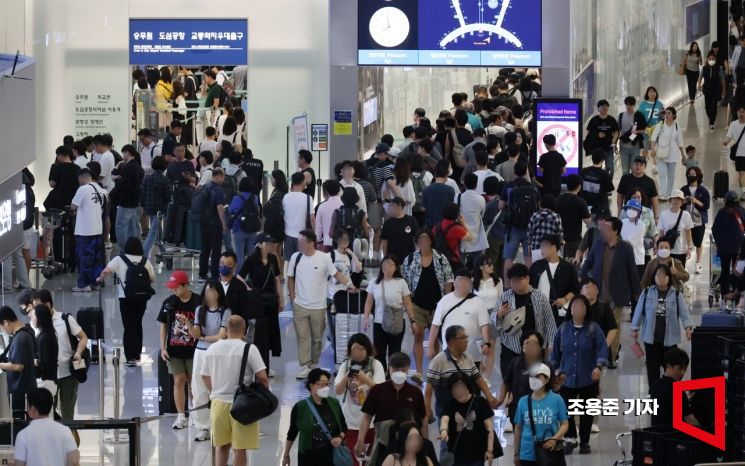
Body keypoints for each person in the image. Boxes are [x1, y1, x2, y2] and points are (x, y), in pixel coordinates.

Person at [201, 316, 267, 466]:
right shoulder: (250, 349)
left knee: (221, 446)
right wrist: (263, 398)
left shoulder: (213, 348)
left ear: (226, 329)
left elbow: (204, 376)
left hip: (218, 403)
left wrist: (214, 391)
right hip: (243, 405)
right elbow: (262, 377)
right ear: (244, 331)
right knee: (240, 448)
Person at [288, 229, 353, 379]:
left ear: (311, 243)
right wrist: (292, 298)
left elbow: (336, 274)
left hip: (318, 305)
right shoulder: (295, 257)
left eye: (302, 242)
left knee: (317, 338)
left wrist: (349, 284)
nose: (299, 245)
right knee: (302, 337)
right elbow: (290, 277)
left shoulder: (324, 258)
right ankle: (305, 365)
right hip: (300, 305)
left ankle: (314, 363)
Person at [550, 296, 608, 455]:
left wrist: (599, 367)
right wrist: (553, 372)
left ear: (586, 310)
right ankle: (570, 438)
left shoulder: (593, 328)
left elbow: (602, 349)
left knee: (588, 411)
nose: (578, 310)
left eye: (581, 307)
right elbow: (555, 354)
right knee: (565, 410)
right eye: (575, 307)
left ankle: (585, 442)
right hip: (566, 378)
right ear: (571, 309)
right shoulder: (562, 329)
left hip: (589, 377)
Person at [580, 217, 640, 368]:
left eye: (606, 228)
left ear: (615, 231)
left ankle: (611, 357)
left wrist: (637, 294)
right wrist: (582, 274)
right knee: (598, 326)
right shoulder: (598, 243)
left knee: (614, 327)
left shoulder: (625, 248)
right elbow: (589, 261)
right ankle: (598, 354)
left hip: (617, 295)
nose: (602, 230)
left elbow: (632, 271)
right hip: (598, 293)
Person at [425, 325, 497, 448]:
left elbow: (478, 378)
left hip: (468, 410)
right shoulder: (439, 361)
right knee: (448, 447)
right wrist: (427, 408)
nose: (467, 340)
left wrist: (489, 396)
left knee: (469, 444)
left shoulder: (467, 357)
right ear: (452, 341)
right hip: (447, 410)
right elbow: (429, 388)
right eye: (463, 337)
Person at [30, 290, 87, 429]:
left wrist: (78, 352)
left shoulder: (65, 319)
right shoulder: (35, 323)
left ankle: (70, 441)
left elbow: (83, 337)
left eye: (37, 305)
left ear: (48, 304)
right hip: (49, 376)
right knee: (49, 412)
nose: (34, 309)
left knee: (68, 410)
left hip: (68, 373)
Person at [402, 230, 454, 380]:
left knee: (435, 338)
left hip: (437, 306)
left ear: (431, 241)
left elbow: (449, 279)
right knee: (418, 336)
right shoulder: (410, 259)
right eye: (421, 240)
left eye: (426, 239)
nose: (424, 243)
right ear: (417, 242)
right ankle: (419, 370)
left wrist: (445, 300)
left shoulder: (440, 258)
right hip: (417, 305)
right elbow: (404, 279)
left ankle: (434, 369)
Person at [355, 352, 428, 458]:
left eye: (403, 370)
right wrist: (360, 440)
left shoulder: (415, 392)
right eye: (395, 370)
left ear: (408, 370)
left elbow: (423, 419)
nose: (399, 373)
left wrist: (424, 442)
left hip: (409, 442)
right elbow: (367, 417)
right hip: (383, 442)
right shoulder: (377, 390)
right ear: (389, 369)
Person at [184, 280, 232, 442]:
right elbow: (196, 334)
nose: (208, 295)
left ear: (218, 293)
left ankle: (218, 425)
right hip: (200, 352)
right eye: (206, 292)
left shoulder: (225, 311)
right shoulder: (200, 310)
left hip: (218, 353)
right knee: (198, 389)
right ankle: (202, 427)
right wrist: (189, 326)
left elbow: (222, 335)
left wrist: (203, 337)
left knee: (217, 389)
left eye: (211, 291)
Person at [631, 264, 693, 386]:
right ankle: (653, 393)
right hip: (651, 339)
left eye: (664, 275)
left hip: (670, 339)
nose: (661, 277)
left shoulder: (676, 295)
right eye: (658, 274)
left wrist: (688, 327)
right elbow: (638, 311)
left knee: (670, 369)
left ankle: (669, 392)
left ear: (669, 277)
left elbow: (684, 313)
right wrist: (635, 329)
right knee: (652, 370)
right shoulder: (647, 292)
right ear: (654, 277)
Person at [97, 237, 155, 366]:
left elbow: (106, 271)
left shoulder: (119, 259)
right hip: (142, 298)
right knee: (138, 324)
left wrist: (99, 279)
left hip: (126, 298)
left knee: (129, 327)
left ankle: (130, 358)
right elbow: (152, 278)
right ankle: (137, 354)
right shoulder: (145, 261)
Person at [157, 270, 200, 429]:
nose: (173, 290)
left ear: (186, 285)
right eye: (172, 287)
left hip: (194, 350)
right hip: (174, 351)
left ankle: (195, 414)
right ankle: (181, 415)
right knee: (179, 381)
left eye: (176, 287)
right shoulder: (169, 302)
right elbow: (164, 326)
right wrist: (162, 347)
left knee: (193, 383)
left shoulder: (197, 302)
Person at [496, 263, 557, 376]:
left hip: (536, 349)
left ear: (527, 279)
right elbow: (496, 325)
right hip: (511, 348)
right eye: (512, 281)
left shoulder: (540, 297)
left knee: (536, 381)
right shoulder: (504, 297)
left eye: (518, 280)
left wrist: (551, 345)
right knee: (510, 382)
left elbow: (550, 322)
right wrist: (499, 314)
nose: (515, 284)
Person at [334, 333, 386, 466]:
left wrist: (365, 379)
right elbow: (337, 390)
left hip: (371, 422)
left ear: (367, 349)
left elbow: (380, 391)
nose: (358, 353)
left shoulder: (376, 365)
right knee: (352, 460)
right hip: (350, 422)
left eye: (361, 349)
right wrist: (347, 377)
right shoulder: (345, 365)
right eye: (354, 350)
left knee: (370, 460)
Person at [283, 368, 347, 466]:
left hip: (331, 455)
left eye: (327, 384)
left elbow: (344, 427)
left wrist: (339, 438)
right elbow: (292, 432)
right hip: (308, 457)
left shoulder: (334, 403)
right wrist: (286, 455)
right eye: (321, 384)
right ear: (311, 385)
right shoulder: (300, 407)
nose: (325, 387)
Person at [238, 233, 283, 370]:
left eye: (271, 243)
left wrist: (281, 297)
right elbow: (240, 276)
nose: (270, 245)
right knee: (258, 333)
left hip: (271, 300)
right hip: (257, 302)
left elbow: (277, 279)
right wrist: (249, 290)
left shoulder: (273, 259)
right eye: (267, 243)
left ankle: (267, 364)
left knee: (271, 331)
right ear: (259, 244)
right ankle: (258, 364)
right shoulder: (251, 259)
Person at [363, 254, 416, 370]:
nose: (387, 267)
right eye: (385, 264)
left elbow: (407, 303)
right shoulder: (374, 283)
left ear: (396, 267)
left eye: (390, 265)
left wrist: (413, 321)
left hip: (396, 323)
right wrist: (366, 318)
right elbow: (369, 301)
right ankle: (381, 375)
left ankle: (392, 375)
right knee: (379, 352)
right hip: (379, 323)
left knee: (395, 351)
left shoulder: (401, 282)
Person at [513, 362, 569, 465]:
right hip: (527, 454)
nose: (533, 379)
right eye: (531, 376)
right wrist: (516, 453)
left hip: (550, 452)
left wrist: (554, 439)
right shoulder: (523, 402)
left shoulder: (557, 400)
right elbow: (518, 428)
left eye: (538, 376)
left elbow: (565, 424)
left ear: (547, 379)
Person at [497, 332, 552, 433]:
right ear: (522, 346)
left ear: (540, 348)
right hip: (517, 407)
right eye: (527, 343)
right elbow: (506, 382)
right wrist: (500, 400)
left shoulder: (546, 366)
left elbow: (552, 388)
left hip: (540, 410)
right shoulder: (515, 363)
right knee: (519, 436)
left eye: (534, 344)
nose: (530, 346)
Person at [438, 372, 496, 466]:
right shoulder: (450, 404)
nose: (458, 391)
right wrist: (443, 431)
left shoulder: (480, 402)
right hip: (457, 455)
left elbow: (489, 428)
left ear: (467, 386)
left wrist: (489, 451)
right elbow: (445, 419)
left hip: (477, 454)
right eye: (454, 389)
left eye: (461, 387)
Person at [14, 387, 80, 466]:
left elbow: (19, 464)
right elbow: (73, 462)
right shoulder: (65, 431)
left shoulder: (23, 435)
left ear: (32, 409)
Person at [500, 161, 540, 278]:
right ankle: (530, 283)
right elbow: (538, 206)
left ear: (514, 172)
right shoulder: (533, 187)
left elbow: (501, 206)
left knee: (509, 259)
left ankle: (507, 286)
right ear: (526, 171)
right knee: (529, 258)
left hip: (513, 226)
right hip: (530, 228)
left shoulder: (508, 186)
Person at [70, 168, 107, 292]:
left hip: (84, 230)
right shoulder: (101, 190)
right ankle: (95, 283)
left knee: (84, 258)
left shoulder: (83, 189)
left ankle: (83, 285)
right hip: (97, 228)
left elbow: (73, 206)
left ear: (81, 178)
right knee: (97, 259)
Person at [530, 235, 579, 326]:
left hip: (558, 312)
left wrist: (564, 299)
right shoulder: (536, 266)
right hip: (537, 311)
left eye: (544, 246)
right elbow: (529, 287)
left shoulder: (568, 268)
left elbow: (575, 289)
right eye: (541, 246)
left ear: (553, 247)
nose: (541, 249)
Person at [44, 146, 81, 264]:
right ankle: (71, 256)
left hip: (57, 203)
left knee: (57, 230)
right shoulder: (77, 168)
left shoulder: (56, 167)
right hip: (72, 202)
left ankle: (58, 257)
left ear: (60, 155)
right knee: (72, 229)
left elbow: (52, 184)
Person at [648, 348, 700, 427]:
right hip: (673, 435)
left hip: (658, 433)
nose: (682, 373)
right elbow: (689, 418)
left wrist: (685, 400)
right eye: (679, 368)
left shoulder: (655, 385)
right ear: (668, 366)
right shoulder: (676, 389)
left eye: (684, 369)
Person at [0, 306, 36, 416]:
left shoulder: (19, 339)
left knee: (20, 424)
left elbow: (18, 366)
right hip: (26, 388)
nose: (3, 331)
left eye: (1, 327)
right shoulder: (26, 332)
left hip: (21, 391)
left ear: (6, 322)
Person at [472, 256, 502, 380]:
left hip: (494, 315)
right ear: (480, 267)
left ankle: (486, 378)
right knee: (478, 347)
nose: (491, 266)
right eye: (488, 264)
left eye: (491, 264)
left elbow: (501, 298)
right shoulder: (473, 281)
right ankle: (480, 371)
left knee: (490, 348)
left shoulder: (498, 281)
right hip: (478, 315)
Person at [712, 191, 745, 296]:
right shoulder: (742, 211)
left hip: (724, 249)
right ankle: (736, 296)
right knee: (737, 272)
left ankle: (725, 295)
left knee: (725, 271)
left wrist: (719, 243)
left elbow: (714, 229)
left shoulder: (722, 212)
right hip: (739, 249)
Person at [113, 144, 145, 247]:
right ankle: (135, 249)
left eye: (123, 153)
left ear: (127, 153)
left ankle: (123, 249)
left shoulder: (129, 167)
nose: (123, 156)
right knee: (133, 227)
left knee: (121, 226)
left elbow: (125, 185)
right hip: (135, 201)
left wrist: (117, 180)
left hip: (126, 202)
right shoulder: (138, 167)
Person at [198, 168, 227, 280]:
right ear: (219, 176)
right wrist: (223, 223)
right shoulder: (218, 189)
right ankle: (215, 274)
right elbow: (219, 207)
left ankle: (202, 274)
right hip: (214, 224)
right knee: (216, 250)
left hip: (203, 222)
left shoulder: (205, 187)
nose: (223, 179)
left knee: (205, 249)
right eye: (223, 177)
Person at [651, 107, 685, 201]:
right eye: (666, 113)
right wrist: (653, 149)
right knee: (662, 173)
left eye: (669, 113)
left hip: (673, 153)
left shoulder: (677, 127)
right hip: (661, 152)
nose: (666, 115)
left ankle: (669, 194)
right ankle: (661, 193)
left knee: (671, 174)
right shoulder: (660, 125)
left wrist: (683, 155)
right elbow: (653, 138)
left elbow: (680, 142)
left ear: (673, 115)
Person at [681, 166, 710, 274]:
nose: (690, 176)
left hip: (698, 221)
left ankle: (698, 263)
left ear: (698, 177)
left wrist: (696, 201)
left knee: (698, 242)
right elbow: (677, 204)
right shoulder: (683, 189)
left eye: (693, 174)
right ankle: (683, 263)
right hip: (684, 221)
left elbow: (706, 206)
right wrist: (685, 201)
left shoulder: (703, 190)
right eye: (689, 174)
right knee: (684, 242)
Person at [228, 177, 261, 269]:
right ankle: (252, 277)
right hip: (253, 229)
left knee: (239, 256)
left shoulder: (237, 198)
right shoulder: (255, 197)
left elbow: (231, 210)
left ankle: (240, 277)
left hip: (239, 229)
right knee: (252, 256)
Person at [616, 156, 659, 226]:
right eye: (636, 164)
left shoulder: (650, 181)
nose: (638, 167)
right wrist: (620, 211)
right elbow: (620, 195)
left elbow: (654, 200)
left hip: (645, 215)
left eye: (641, 165)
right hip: (628, 213)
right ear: (633, 166)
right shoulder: (625, 178)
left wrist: (656, 217)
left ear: (645, 167)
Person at [140, 156, 170, 257]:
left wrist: (142, 206)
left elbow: (143, 194)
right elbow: (167, 196)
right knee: (153, 231)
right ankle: (144, 253)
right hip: (159, 209)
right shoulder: (165, 180)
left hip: (148, 207)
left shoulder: (147, 178)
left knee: (156, 229)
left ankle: (162, 250)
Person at [457, 174, 488, 269]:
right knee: (477, 265)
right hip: (477, 234)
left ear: (464, 183)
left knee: (460, 264)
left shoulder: (458, 197)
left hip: (462, 233)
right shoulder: (481, 199)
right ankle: (476, 281)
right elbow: (482, 214)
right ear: (476, 184)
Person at [283, 172, 316, 261]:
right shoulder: (308, 198)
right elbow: (312, 219)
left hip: (288, 234)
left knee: (289, 261)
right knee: (302, 261)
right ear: (303, 182)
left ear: (292, 183)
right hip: (303, 235)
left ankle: (289, 275)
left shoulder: (286, 197)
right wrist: (315, 234)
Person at [620, 188, 658, 265]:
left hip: (643, 252)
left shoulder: (648, 212)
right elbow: (618, 231)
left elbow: (653, 231)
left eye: (639, 197)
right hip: (626, 252)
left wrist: (656, 244)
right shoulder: (624, 211)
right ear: (630, 199)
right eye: (634, 197)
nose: (637, 199)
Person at [557, 174, 591, 258]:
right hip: (574, 240)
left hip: (559, 238)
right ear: (579, 187)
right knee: (574, 266)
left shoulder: (558, 199)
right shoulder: (580, 202)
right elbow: (588, 221)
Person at [585, 99, 620, 178]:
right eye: (603, 106)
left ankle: (607, 184)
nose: (605, 108)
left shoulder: (611, 119)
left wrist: (614, 140)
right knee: (597, 168)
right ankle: (599, 183)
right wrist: (597, 134)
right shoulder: (594, 120)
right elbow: (588, 132)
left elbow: (616, 131)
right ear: (598, 108)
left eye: (606, 106)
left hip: (608, 147)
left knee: (610, 168)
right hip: (597, 149)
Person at [658, 189, 694, 265]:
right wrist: (659, 248)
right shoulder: (663, 215)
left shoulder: (686, 215)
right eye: (674, 198)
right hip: (666, 250)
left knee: (679, 273)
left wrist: (689, 247)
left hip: (681, 251)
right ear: (670, 200)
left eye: (679, 199)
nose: (676, 201)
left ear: (682, 202)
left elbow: (688, 233)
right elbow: (661, 233)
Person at [526, 194, 563, 262]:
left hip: (536, 249)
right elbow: (559, 234)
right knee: (552, 271)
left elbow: (529, 234)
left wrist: (529, 247)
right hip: (550, 249)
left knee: (538, 271)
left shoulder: (534, 215)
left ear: (541, 204)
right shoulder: (555, 216)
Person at [32, 303, 58, 395]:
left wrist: (31, 361)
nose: (32, 319)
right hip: (48, 379)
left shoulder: (44, 337)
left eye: (33, 316)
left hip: (45, 381)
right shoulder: (48, 334)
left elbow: (44, 362)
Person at [617, 96, 647, 174]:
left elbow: (645, 129)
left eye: (630, 105)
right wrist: (615, 143)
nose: (628, 107)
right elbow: (618, 130)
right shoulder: (621, 116)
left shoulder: (639, 115)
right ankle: (626, 185)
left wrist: (637, 131)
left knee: (634, 169)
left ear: (634, 105)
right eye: (627, 105)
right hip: (623, 146)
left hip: (635, 146)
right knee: (625, 170)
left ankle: (634, 185)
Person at [422, 160, 457, 229]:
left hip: (431, 225)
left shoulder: (426, 190)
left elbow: (423, 209)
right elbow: (452, 209)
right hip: (446, 226)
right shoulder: (450, 190)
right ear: (446, 173)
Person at [580, 148, 614, 214]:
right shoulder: (605, 174)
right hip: (600, 208)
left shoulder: (584, 171)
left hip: (586, 206)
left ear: (592, 158)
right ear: (602, 160)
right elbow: (609, 191)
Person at [698, 50, 726, 129]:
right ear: (707, 59)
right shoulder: (704, 68)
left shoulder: (719, 68)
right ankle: (711, 118)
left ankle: (711, 122)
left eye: (713, 59)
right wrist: (699, 85)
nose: (711, 60)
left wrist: (723, 90)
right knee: (707, 107)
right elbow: (700, 77)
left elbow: (722, 80)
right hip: (707, 90)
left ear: (715, 60)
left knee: (714, 105)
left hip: (716, 90)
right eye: (709, 59)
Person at [314, 180, 344, 253]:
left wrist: (318, 242)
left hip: (327, 243)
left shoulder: (322, 206)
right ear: (339, 190)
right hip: (342, 243)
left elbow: (318, 228)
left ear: (326, 191)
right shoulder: (343, 204)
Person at [620, 199, 646, 277]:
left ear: (638, 212)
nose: (631, 210)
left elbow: (629, 243)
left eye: (634, 209)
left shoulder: (641, 225)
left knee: (636, 285)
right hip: (623, 259)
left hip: (637, 260)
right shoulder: (622, 222)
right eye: (630, 208)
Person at [723, 105, 745, 198]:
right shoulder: (733, 124)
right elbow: (729, 137)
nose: (741, 114)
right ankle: (744, 192)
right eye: (739, 112)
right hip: (739, 153)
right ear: (737, 113)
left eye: (743, 112)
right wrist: (726, 141)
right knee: (741, 173)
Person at [638, 86, 665, 159]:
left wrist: (661, 114)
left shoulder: (659, 104)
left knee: (657, 148)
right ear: (647, 94)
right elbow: (638, 116)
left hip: (657, 129)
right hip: (646, 130)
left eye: (654, 92)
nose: (652, 93)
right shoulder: (642, 104)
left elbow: (663, 117)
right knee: (645, 149)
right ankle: (643, 164)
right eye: (650, 92)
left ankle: (655, 165)